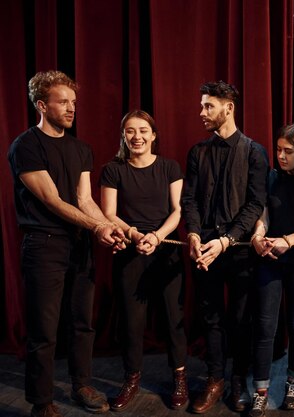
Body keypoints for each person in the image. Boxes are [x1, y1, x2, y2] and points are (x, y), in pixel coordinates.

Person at [7, 70, 124, 417]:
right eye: (63, 102)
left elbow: (84, 199)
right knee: (44, 330)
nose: (72, 108)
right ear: (42, 105)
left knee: (81, 323)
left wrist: (107, 228)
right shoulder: (25, 146)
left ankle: (81, 384)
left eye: (73, 102)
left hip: (79, 245)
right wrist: (97, 228)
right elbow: (53, 201)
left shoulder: (81, 148)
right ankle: (42, 402)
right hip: (44, 244)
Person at [181, 80, 269, 414]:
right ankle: (215, 379)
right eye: (202, 105)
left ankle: (238, 381)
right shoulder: (197, 152)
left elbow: (255, 204)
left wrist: (226, 239)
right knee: (212, 317)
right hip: (204, 249)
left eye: (208, 106)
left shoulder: (254, 152)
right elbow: (189, 199)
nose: (201, 112)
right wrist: (192, 234)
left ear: (228, 107)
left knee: (241, 319)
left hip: (241, 251)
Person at [99, 110, 187, 411]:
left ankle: (179, 377)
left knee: (174, 320)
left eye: (142, 131)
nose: (136, 137)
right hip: (130, 250)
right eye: (130, 131)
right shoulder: (113, 169)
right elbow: (108, 213)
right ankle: (132, 378)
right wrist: (135, 235)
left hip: (165, 250)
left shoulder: (170, 167)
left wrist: (157, 237)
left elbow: (177, 211)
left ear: (153, 135)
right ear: (124, 136)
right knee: (132, 322)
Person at [247, 123, 294, 417]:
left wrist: (290, 241)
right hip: (270, 258)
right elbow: (262, 213)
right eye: (279, 150)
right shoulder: (272, 177)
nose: (281, 156)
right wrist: (257, 237)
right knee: (265, 326)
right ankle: (261, 390)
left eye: (289, 151)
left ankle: (293, 382)